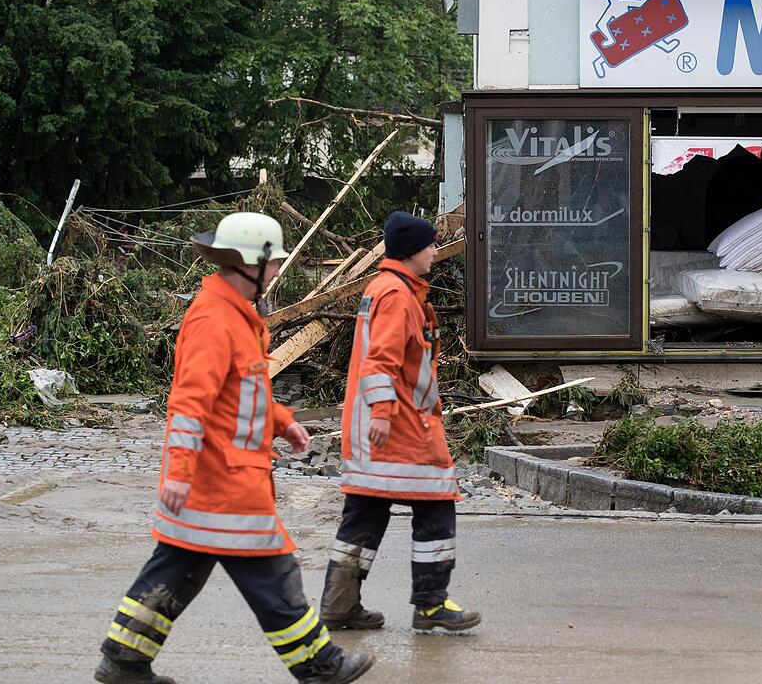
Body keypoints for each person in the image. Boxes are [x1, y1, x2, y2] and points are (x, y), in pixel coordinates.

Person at [94, 213, 374, 684]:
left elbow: (241, 394)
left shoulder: (236, 316)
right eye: (274, 264)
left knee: (178, 570)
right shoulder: (214, 319)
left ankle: (123, 659)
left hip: (217, 480)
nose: (279, 271)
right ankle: (320, 666)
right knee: (274, 571)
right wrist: (179, 474)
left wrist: (283, 422)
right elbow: (188, 405)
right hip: (220, 481)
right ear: (251, 264)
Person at [320, 211, 480, 633]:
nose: (434, 251)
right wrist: (385, 414)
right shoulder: (397, 295)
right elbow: (382, 360)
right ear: (411, 250)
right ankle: (430, 605)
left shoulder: (387, 288)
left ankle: (339, 605)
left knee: (366, 513)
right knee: (437, 507)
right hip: (400, 428)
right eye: (429, 244)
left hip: (382, 426)